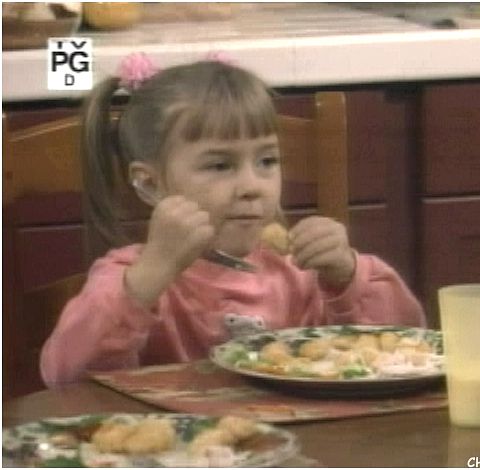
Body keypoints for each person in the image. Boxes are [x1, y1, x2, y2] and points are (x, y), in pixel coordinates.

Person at [40, 54, 426, 387]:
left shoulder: (301, 273)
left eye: (267, 161)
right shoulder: (130, 276)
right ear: (150, 183)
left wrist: (347, 275)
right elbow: (66, 378)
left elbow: (406, 347)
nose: (252, 187)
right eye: (220, 165)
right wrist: (150, 275)